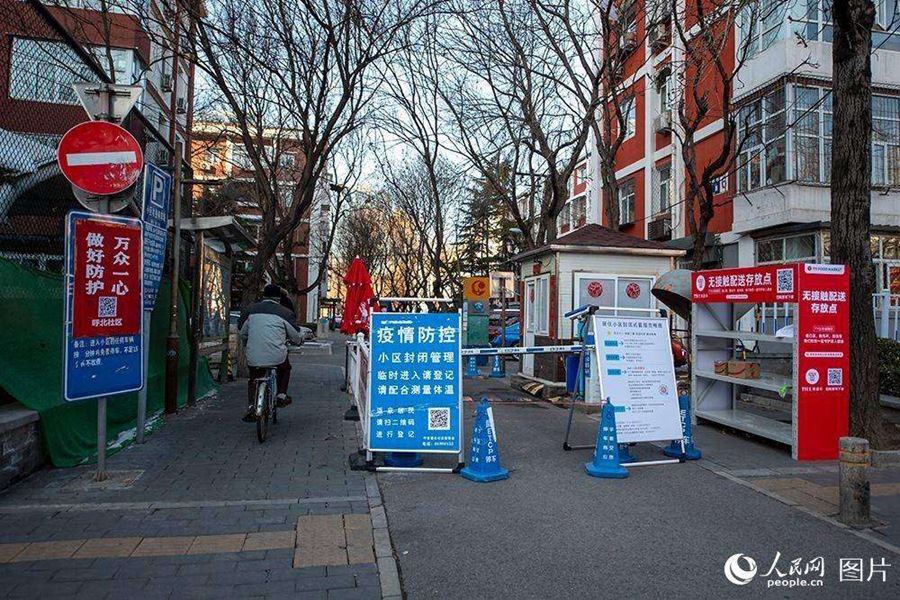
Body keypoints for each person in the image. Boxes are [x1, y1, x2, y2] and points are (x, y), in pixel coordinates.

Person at [239, 284, 302, 422]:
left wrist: (247, 342)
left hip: (254, 355)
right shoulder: (284, 312)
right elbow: (295, 336)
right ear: (278, 298)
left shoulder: (251, 310)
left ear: (263, 296)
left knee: (254, 377)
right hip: (276, 356)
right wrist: (298, 341)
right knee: (285, 369)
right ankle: (281, 395)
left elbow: (242, 332)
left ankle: (251, 406)